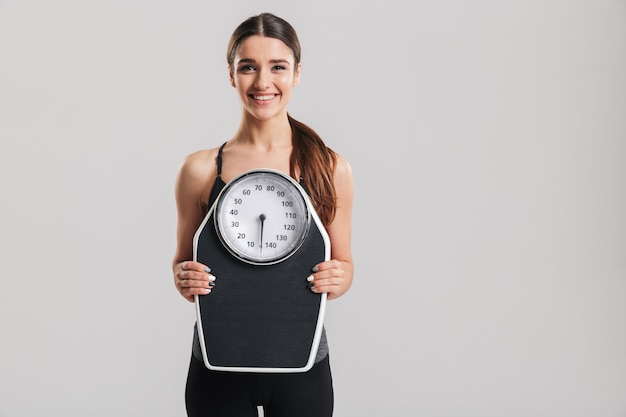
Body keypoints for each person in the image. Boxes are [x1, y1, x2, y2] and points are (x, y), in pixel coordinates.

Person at [171, 12, 354, 417]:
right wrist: (186, 277)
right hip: (217, 363)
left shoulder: (329, 168)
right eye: (248, 67)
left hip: (302, 363)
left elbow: (344, 264)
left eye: (278, 67)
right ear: (232, 75)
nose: (263, 82)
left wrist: (339, 277)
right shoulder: (200, 170)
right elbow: (183, 264)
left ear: (297, 73)